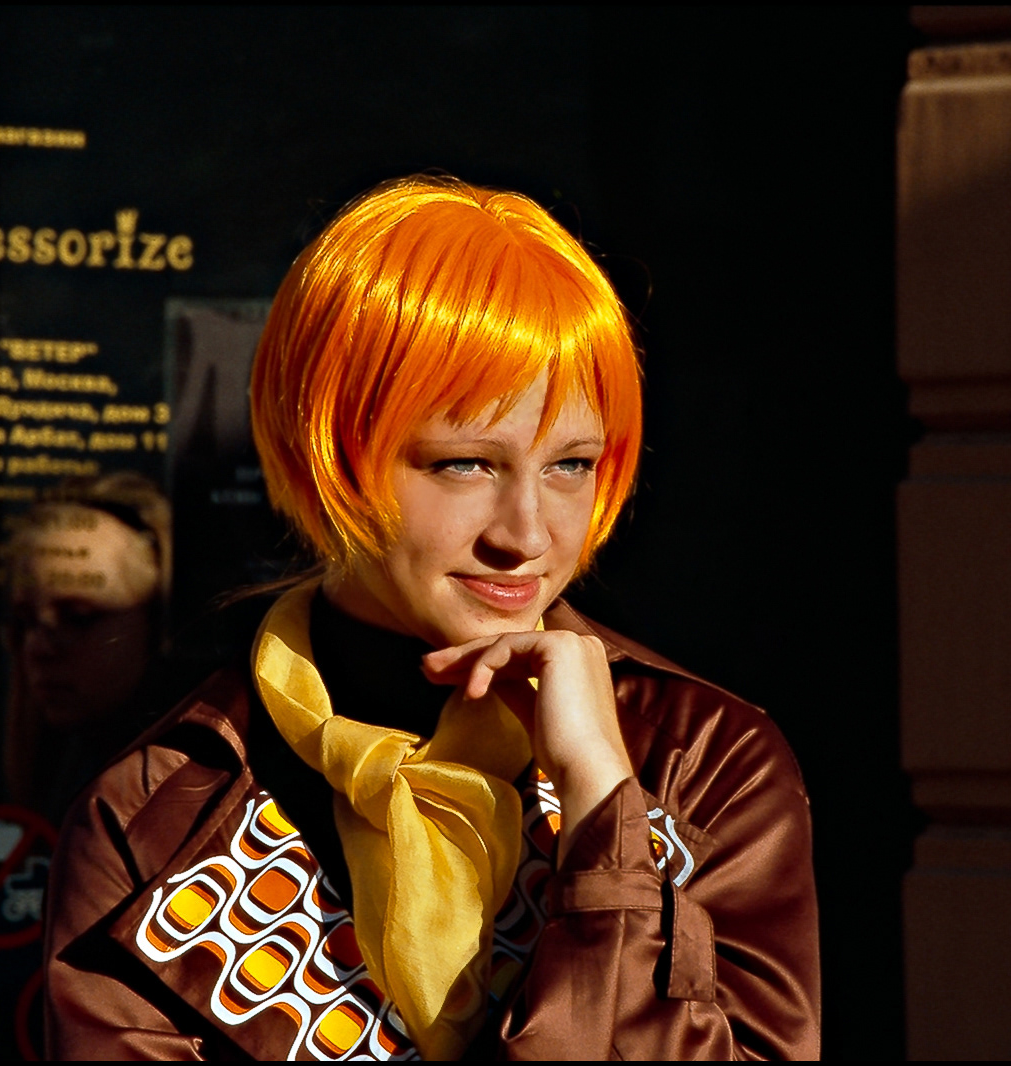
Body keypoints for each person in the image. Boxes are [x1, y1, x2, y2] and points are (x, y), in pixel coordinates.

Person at [42, 177, 820, 1060]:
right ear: (329, 452)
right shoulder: (152, 819)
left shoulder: (703, 766)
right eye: (465, 465)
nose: (527, 535)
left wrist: (605, 814)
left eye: (571, 465)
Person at [2, 472, 173, 822]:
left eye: (79, 618)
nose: (38, 649)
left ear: (158, 622)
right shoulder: (52, 774)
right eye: (25, 620)